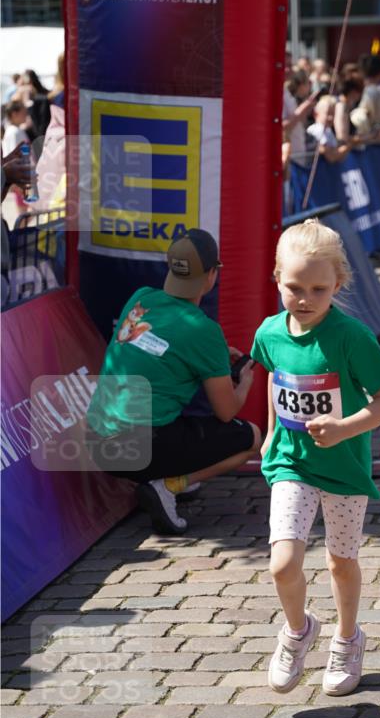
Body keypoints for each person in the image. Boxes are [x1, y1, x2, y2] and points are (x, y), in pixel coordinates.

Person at [250, 220, 380, 696]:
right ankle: (297, 631)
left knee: (340, 561)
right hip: (291, 464)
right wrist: (273, 431)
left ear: (339, 283)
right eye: (294, 287)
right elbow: (276, 376)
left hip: (344, 468)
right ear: (276, 278)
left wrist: (343, 429)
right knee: (282, 563)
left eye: (319, 288)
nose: (305, 298)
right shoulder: (270, 332)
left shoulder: (351, 337)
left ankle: (347, 638)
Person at [86, 229, 261, 534]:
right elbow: (226, 411)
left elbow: (160, 351)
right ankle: (168, 485)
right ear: (212, 274)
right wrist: (244, 381)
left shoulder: (141, 297)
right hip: (141, 448)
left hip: (96, 440)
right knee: (251, 438)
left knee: (173, 416)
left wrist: (216, 357)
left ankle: (170, 476)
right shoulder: (203, 330)